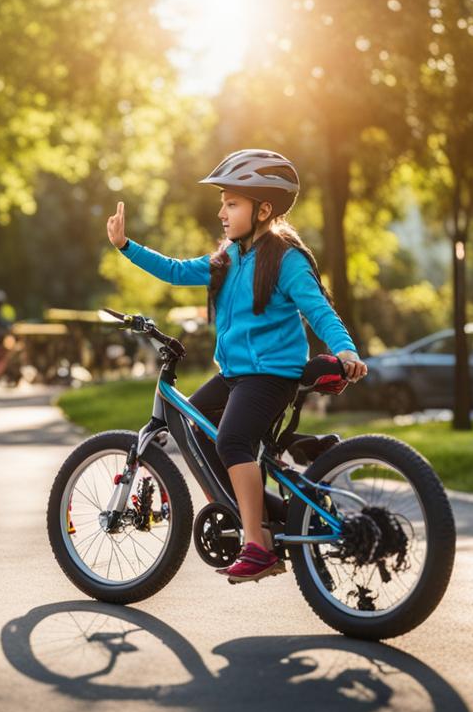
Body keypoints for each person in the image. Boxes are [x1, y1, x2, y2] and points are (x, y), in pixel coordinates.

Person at [106, 149, 368, 584]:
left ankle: (257, 546)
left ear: (263, 209)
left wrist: (346, 350)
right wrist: (125, 247)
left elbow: (319, 310)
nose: (222, 212)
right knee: (193, 424)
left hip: (271, 375)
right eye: (223, 203)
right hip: (236, 374)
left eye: (232, 203)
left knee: (231, 441)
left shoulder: (286, 258)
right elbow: (174, 271)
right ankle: (265, 514)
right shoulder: (228, 257)